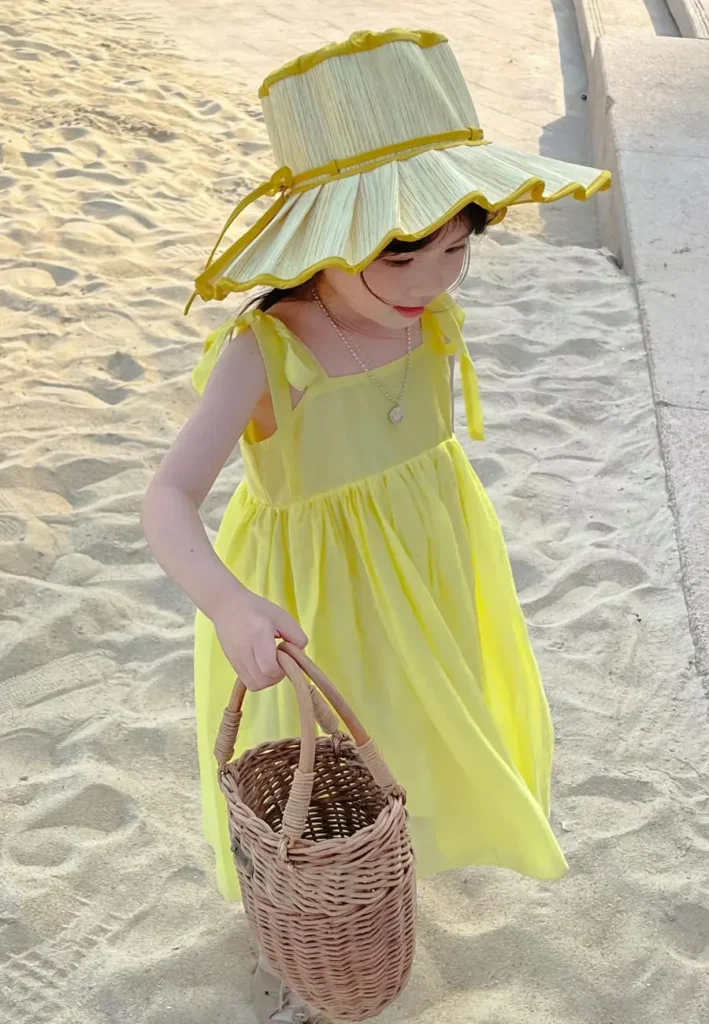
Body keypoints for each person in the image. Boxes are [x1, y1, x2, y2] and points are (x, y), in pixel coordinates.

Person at [142, 29, 611, 1024]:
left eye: (456, 247)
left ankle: (415, 844)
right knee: (336, 734)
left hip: (433, 544)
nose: (432, 280)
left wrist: (424, 279)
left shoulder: (427, 315)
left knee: (430, 705)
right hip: (313, 579)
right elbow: (167, 496)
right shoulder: (268, 353)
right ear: (323, 241)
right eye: (401, 254)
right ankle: (325, 894)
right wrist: (227, 602)